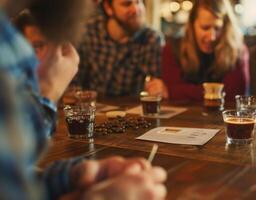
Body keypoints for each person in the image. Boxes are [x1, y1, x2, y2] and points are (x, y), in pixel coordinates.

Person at [0, 0, 166, 199]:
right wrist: (48, 93)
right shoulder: (10, 46)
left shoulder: (9, 41)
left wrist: (69, 177)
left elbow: (15, 174)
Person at [161, 0, 249, 102]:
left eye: (217, 28)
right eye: (205, 27)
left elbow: (233, 96)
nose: (212, 37)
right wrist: (216, 93)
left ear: (226, 27)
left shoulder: (237, 51)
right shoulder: (172, 49)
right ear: (192, 25)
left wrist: (177, 92)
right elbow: (168, 90)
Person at [75, 0, 167, 98]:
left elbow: (154, 89)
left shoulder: (151, 39)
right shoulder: (89, 33)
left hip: (131, 110)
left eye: (138, 2)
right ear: (108, 8)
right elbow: (74, 82)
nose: (136, 9)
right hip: (92, 109)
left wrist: (157, 89)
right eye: (127, 4)